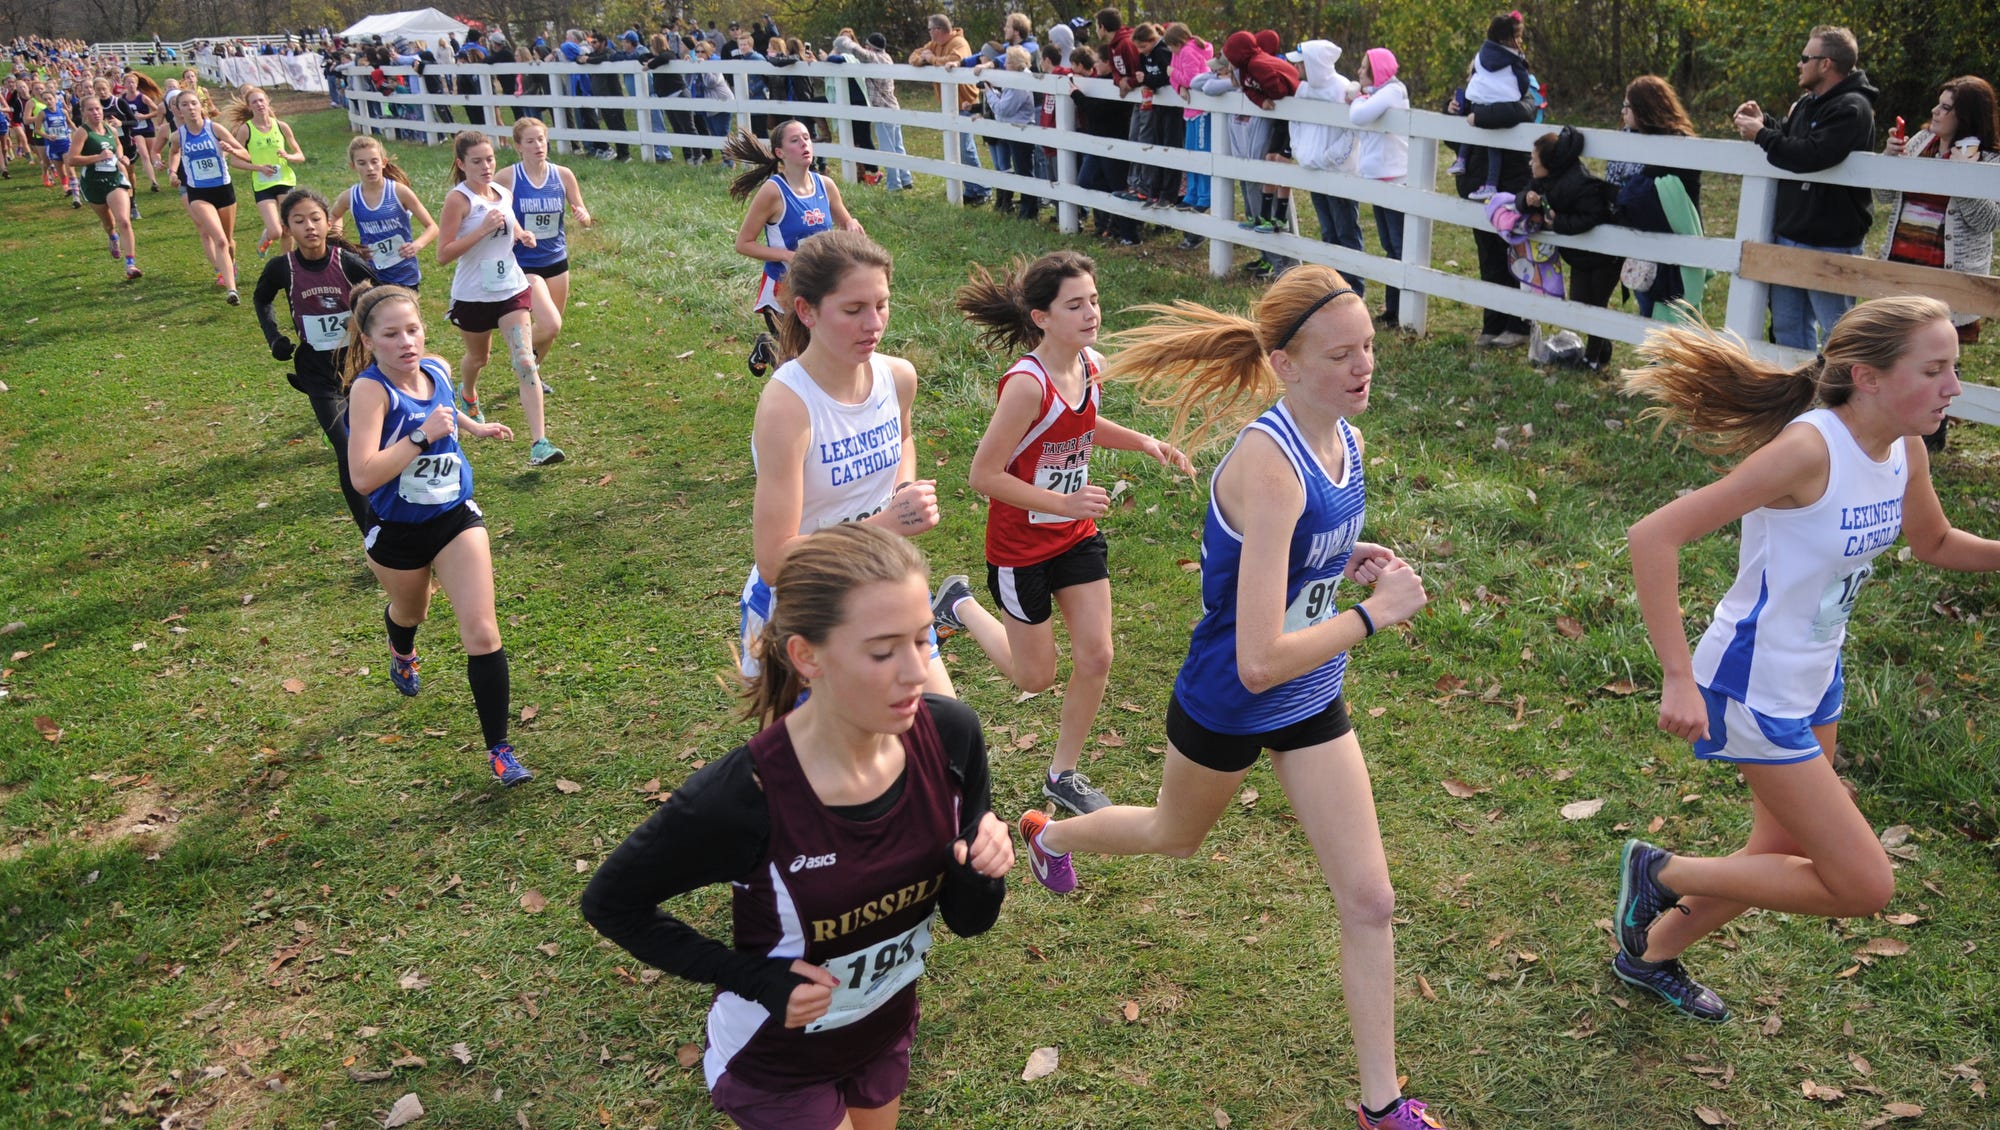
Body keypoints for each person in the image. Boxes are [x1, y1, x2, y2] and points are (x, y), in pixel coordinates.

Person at [1014, 267, 1442, 1130]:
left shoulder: (1345, 443)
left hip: (1312, 695)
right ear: (1284, 364)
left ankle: (1381, 1104)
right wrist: (1372, 614)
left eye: (1368, 348)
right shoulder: (1270, 463)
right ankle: (1049, 834)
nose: (1363, 368)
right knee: (1173, 836)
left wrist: (1348, 554)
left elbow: (1295, 563)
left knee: (1371, 899)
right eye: (1340, 355)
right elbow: (1255, 661)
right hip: (1232, 701)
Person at [1618, 295, 1992, 1025]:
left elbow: (1936, 543)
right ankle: (1658, 871)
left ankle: (1650, 951)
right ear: (1869, 376)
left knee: (1776, 846)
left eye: (1956, 368)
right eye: (1936, 369)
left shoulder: (1902, 447)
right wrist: (1676, 676)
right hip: (1752, 685)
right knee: (1862, 884)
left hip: (1815, 676)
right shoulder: (1808, 449)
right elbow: (1652, 536)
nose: (1954, 387)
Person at [582, 522, 1012, 1130]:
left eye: (923, 641)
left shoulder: (951, 734)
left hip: (882, 1030)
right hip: (773, 1061)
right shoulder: (745, 798)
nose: (917, 673)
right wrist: (753, 977)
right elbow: (611, 903)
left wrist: (985, 869)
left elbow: (970, 921)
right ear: (807, 656)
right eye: (883, 650)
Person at [943, 251, 1191, 814]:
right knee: (1034, 678)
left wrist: (1144, 442)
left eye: (1095, 301)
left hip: (1076, 534)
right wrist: (1061, 499)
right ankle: (959, 605)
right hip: (1019, 550)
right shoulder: (1025, 386)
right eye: (1074, 305)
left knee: (1097, 656)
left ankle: (1063, 773)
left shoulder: (1090, 364)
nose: (1091, 313)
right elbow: (983, 474)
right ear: (1042, 317)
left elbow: (1078, 423)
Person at [736, 231, 957, 698]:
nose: (873, 324)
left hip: (883, 585)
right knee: (824, 769)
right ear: (807, 311)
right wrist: (888, 524)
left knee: (944, 740)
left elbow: (904, 437)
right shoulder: (788, 406)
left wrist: (903, 489)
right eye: (853, 310)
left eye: (882, 305)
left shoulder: (897, 376)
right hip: (807, 610)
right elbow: (775, 559)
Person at [340, 281, 533, 786]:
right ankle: (401, 648)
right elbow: (362, 475)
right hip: (397, 532)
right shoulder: (370, 390)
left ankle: (499, 750)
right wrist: (420, 437)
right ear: (368, 341)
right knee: (413, 611)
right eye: (391, 335)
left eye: (413, 329)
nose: (407, 342)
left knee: (482, 630)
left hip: (454, 518)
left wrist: (475, 428)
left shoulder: (436, 369)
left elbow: (444, 411)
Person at [1732, 25, 1877, 350]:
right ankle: (1798, 400)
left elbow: (1813, 155)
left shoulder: (1852, 108)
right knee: (1787, 331)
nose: (1799, 64)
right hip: (1791, 235)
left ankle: (1834, 399)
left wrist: (1760, 135)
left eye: (1804, 58)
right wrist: (1767, 124)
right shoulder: (1810, 102)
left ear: (1825, 63)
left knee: (1837, 336)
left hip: (1831, 242)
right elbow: (1794, 138)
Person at [1877, 75, 1998, 452]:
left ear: (1967, 117)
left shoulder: (1990, 161)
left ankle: (1930, 437)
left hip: (1949, 275)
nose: (1935, 111)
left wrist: (1963, 175)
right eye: (1938, 103)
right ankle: (1894, 426)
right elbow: (1882, 195)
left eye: (1946, 107)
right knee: (1898, 347)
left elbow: (1989, 221)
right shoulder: (1918, 142)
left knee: (1938, 356)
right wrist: (1889, 158)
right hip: (1903, 263)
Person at [434, 129, 565, 466]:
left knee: (524, 361)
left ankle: (540, 443)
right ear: (462, 164)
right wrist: (480, 231)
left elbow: (510, 228)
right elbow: (443, 254)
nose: (486, 166)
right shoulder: (458, 200)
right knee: (479, 359)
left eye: (490, 159)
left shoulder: (502, 193)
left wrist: (523, 235)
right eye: (477, 161)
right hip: (473, 295)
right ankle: (468, 393)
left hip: (511, 288)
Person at [254, 187, 379, 531]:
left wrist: (373, 332)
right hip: (316, 372)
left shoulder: (348, 264)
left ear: (328, 223)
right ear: (287, 228)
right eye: (299, 220)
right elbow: (261, 299)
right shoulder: (283, 268)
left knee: (377, 444)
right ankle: (371, 532)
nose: (309, 226)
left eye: (315, 218)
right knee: (348, 449)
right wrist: (274, 338)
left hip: (359, 368)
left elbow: (383, 301)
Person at [729, 120, 862, 376]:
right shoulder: (773, 192)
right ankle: (768, 349)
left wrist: (852, 225)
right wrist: (788, 256)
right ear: (780, 152)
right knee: (792, 368)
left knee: (816, 356)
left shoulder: (826, 185)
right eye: (795, 140)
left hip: (817, 285)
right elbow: (743, 244)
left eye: (807, 138)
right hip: (782, 289)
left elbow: (846, 220)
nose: (804, 144)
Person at [1520, 127, 1618, 369]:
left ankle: (1592, 359)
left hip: (1604, 256)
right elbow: (1521, 195)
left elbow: (1593, 215)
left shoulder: (1579, 183)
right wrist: (1526, 199)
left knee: (1597, 303)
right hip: (1579, 255)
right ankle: (1602, 347)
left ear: (1549, 162)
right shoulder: (1543, 180)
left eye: (1535, 158)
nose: (1530, 162)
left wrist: (1558, 223)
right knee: (1579, 302)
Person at [1607, 75, 1703, 321]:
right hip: (1649, 241)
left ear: (1644, 108)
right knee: (1648, 310)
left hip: (1674, 240)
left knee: (1667, 313)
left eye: (1628, 106)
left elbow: (1637, 196)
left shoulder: (1678, 143)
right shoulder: (1639, 142)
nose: (1623, 111)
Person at [503, 116, 593, 367]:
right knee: (549, 323)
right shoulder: (508, 177)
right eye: (530, 141)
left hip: (556, 260)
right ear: (518, 146)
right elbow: (494, 210)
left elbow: (584, 214)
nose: (538, 146)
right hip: (524, 262)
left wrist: (583, 215)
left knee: (552, 329)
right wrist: (517, 231)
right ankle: (521, 353)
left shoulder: (563, 175)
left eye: (541, 139)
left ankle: (532, 371)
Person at [162, 89, 251, 304]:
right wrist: (173, 171)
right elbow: (174, 152)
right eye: (185, 105)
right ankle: (232, 290)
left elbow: (246, 154)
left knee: (228, 241)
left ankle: (231, 263)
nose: (191, 108)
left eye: (194, 103)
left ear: (200, 105)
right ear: (179, 110)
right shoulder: (178, 136)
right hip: (198, 193)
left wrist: (231, 149)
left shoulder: (215, 129)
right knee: (219, 239)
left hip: (223, 189)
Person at [328, 134, 437, 293]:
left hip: (405, 273)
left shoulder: (399, 192)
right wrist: (339, 240)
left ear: (384, 162)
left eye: (374, 161)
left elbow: (432, 227)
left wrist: (416, 246)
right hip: (370, 273)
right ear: (353, 166)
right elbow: (333, 218)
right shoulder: (350, 197)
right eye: (362, 163)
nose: (370, 168)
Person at [1348, 49, 1410, 326]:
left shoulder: (1394, 91)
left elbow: (1359, 116)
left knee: (1398, 247)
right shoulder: (1377, 93)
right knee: (1388, 244)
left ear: (1377, 70)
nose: (1359, 72)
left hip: (1395, 179)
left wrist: (1358, 98)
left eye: (1364, 67)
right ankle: (1392, 310)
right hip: (1379, 179)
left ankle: (1400, 311)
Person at [908, 14, 987, 205]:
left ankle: (982, 190)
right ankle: (971, 189)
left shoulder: (959, 42)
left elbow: (954, 61)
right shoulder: (934, 44)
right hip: (949, 105)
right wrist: (926, 59)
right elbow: (914, 56)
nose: (929, 33)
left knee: (965, 148)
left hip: (965, 103)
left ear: (938, 30)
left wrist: (932, 59)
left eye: (930, 29)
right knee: (958, 148)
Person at [63, 95, 141, 281]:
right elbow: (72, 159)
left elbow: (119, 145)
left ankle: (131, 264)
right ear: (83, 112)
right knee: (110, 224)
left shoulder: (109, 128)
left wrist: (121, 156)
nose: (95, 112)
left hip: (114, 178)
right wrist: (98, 157)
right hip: (93, 183)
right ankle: (113, 237)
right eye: (90, 109)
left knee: (124, 220)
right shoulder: (83, 133)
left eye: (97, 108)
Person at [1459, 11, 1532, 202]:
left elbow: (1525, 110)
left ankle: (1461, 160)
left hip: (1501, 176)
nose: (1520, 41)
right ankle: (1470, 167)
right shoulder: (1514, 66)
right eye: (1517, 37)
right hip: (1491, 175)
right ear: (1507, 39)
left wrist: (1481, 117)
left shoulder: (1481, 67)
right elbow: (1524, 94)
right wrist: (1449, 107)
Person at [228, 85, 303, 257]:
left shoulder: (282, 126)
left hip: (285, 181)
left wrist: (289, 157)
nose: (259, 104)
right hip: (263, 184)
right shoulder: (246, 129)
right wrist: (259, 168)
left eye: (262, 100)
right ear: (249, 106)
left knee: (288, 229)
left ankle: (287, 265)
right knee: (276, 231)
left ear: (267, 101)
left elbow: (300, 155)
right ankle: (265, 239)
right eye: (254, 102)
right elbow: (235, 161)